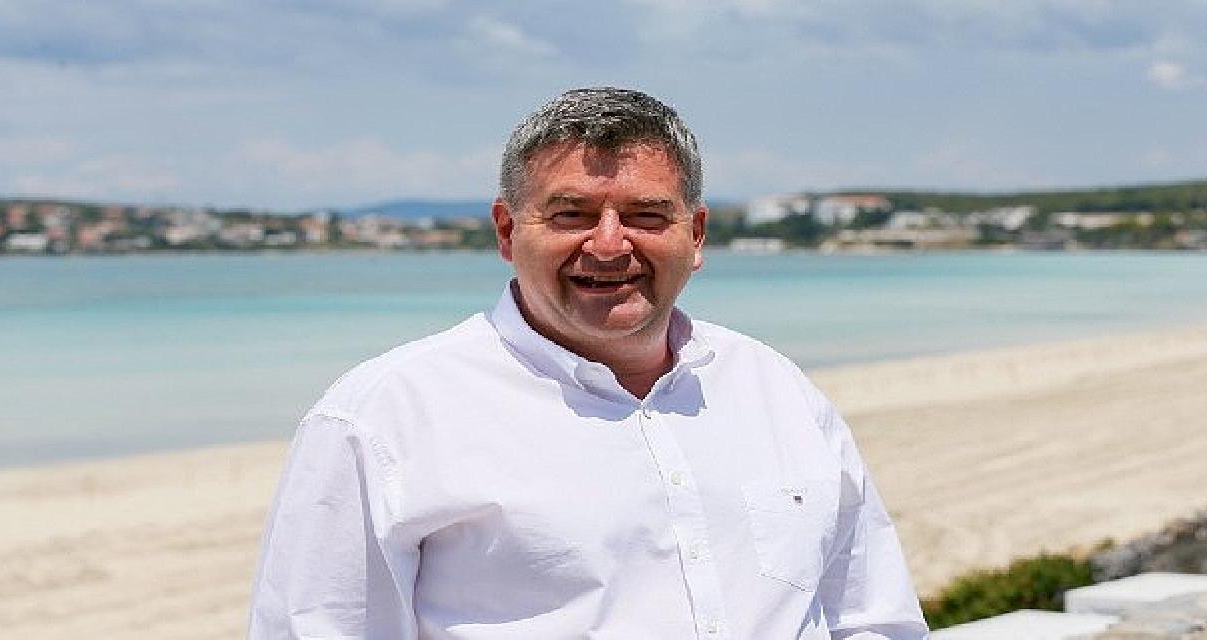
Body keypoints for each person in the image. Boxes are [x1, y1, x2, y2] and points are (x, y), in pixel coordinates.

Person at [248, 87, 929, 639]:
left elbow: (871, 618)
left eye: (646, 216)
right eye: (571, 215)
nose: (608, 245)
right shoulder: (381, 419)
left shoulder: (775, 389)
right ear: (507, 231)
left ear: (695, 235)